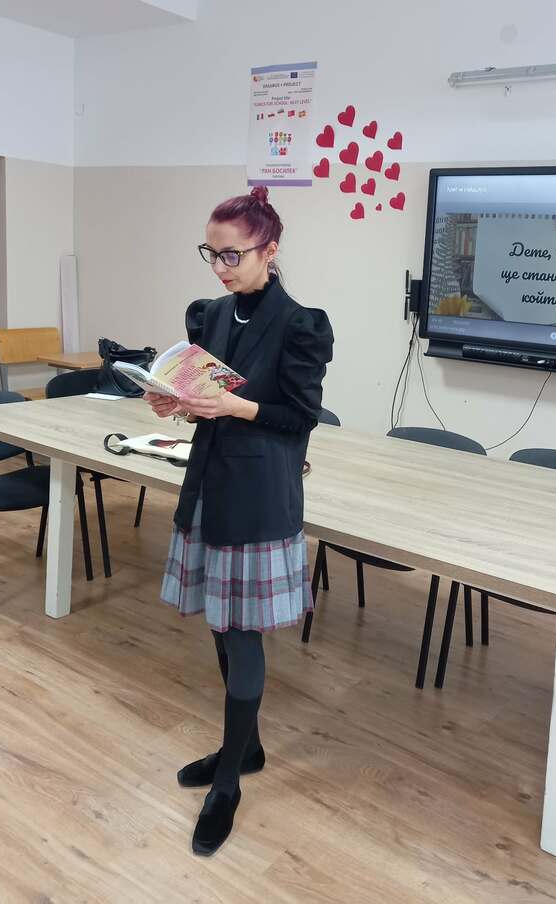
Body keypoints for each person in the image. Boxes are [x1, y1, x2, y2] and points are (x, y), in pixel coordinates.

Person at [146, 186, 333, 857]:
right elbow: (208, 393)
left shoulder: (301, 324)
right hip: (210, 483)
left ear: (269, 250)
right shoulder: (213, 315)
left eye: (233, 255)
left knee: (243, 634)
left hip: (259, 494)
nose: (221, 267)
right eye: (212, 253)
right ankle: (245, 748)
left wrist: (235, 408)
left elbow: (298, 417)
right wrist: (177, 404)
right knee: (222, 626)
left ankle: (228, 783)